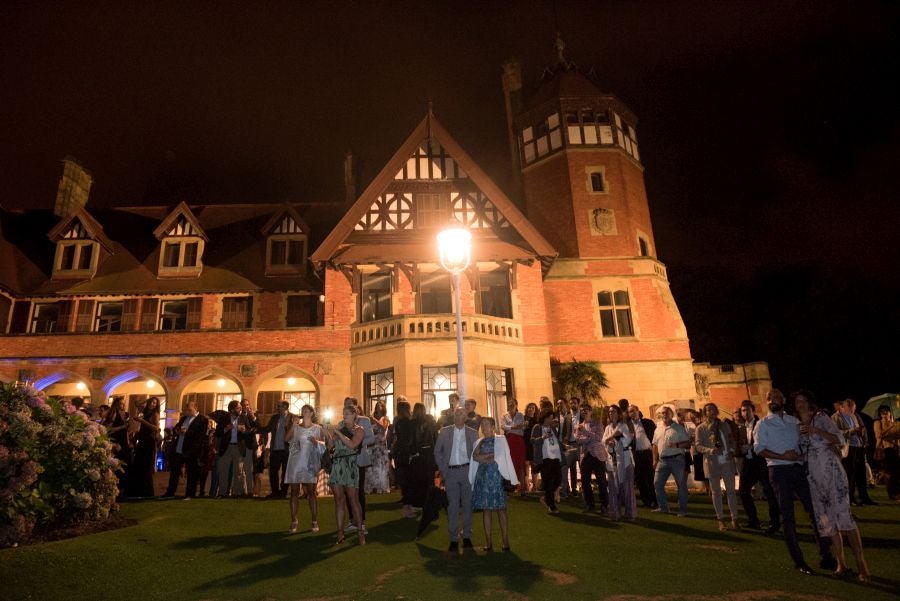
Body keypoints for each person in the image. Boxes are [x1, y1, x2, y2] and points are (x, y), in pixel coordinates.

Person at [755, 388, 836, 575]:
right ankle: (799, 561)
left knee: (814, 510)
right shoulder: (763, 424)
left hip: (797, 469)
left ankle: (826, 555)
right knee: (788, 516)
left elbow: (804, 443)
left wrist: (798, 456)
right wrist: (783, 456)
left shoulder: (794, 421)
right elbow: (759, 449)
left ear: (783, 400)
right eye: (769, 398)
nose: (772, 400)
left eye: (776, 397)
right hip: (778, 470)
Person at [794, 390, 870, 581]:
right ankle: (841, 563)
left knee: (845, 518)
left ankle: (862, 566)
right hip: (815, 476)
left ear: (810, 402)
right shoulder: (798, 426)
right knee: (827, 521)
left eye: (804, 401)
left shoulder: (821, 418)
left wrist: (816, 431)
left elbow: (840, 439)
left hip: (832, 473)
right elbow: (803, 451)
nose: (801, 404)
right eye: (797, 402)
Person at [470, 417, 518, 551]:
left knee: (501, 509)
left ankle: (505, 540)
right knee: (487, 510)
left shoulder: (501, 439)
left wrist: (485, 457)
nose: (484, 428)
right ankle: (488, 541)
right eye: (482, 425)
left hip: (497, 477)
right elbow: (475, 457)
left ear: (492, 426)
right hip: (483, 479)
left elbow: (500, 454)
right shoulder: (479, 441)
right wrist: (490, 456)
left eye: (486, 425)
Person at [434, 406, 478, 553]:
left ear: (465, 417)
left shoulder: (473, 433)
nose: (457, 415)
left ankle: (466, 537)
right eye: (456, 413)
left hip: (467, 472)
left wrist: (475, 472)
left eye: (460, 413)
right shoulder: (445, 431)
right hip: (451, 473)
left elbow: (477, 454)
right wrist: (443, 470)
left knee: (467, 506)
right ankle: (453, 539)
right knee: (452, 507)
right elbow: (437, 452)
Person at [694, 403, 740, 531]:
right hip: (712, 462)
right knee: (716, 492)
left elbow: (731, 440)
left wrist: (731, 450)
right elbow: (698, 446)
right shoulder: (701, 428)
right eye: (708, 410)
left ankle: (734, 519)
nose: (711, 411)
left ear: (717, 411)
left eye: (713, 409)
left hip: (726, 461)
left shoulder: (724, 425)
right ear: (705, 413)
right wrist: (710, 450)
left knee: (731, 491)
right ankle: (721, 519)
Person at [737, 400, 780, 533]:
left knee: (769, 492)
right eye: (743, 410)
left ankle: (775, 523)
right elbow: (741, 445)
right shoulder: (742, 427)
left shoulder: (761, 424)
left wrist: (751, 447)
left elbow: (767, 443)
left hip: (762, 462)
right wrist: (741, 449)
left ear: (753, 411)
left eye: (747, 410)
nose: (745, 413)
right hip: (749, 463)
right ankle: (753, 521)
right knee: (744, 491)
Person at [327, 405, 366, 545]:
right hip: (337, 466)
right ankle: (340, 533)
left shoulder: (359, 430)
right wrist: (329, 433)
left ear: (355, 415)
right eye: (344, 413)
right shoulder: (339, 427)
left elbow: (352, 445)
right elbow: (331, 447)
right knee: (339, 500)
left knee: (353, 499)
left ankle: (360, 532)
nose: (345, 416)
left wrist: (338, 433)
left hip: (350, 466)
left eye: (348, 414)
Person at [284, 404, 324, 533]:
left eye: (307, 410)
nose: (304, 412)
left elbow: (324, 446)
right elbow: (287, 439)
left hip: (310, 463)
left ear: (312, 413)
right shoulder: (296, 427)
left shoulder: (318, 428)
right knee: (294, 492)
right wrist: (293, 425)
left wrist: (315, 442)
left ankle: (314, 520)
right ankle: (294, 520)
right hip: (295, 462)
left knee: (312, 492)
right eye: (303, 411)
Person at [832, 399, 876, 506]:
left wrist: (862, 436)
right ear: (842, 407)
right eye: (850, 409)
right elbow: (835, 433)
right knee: (849, 474)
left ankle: (864, 497)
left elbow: (860, 429)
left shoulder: (853, 416)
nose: (852, 411)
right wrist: (852, 431)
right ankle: (850, 498)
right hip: (848, 448)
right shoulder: (835, 417)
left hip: (858, 446)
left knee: (861, 473)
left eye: (853, 409)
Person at [161, 401, 209, 499]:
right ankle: (170, 492)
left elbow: (199, 436)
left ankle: (190, 494)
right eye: (186, 409)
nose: (187, 411)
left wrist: (186, 432)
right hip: (179, 448)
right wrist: (177, 430)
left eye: (189, 409)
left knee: (191, 473)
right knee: (174, 472)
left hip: (191, 451)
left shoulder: (202, 420)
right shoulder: (183, 418)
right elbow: (176, 428)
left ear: (196, 408)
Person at [343, 397, 375, 534]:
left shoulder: (364, 421)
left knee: (358, 491)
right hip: (346, 461)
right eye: (345, 406)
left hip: (360, 459)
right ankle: (352, 520)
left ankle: (361, 522)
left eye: (350, 406)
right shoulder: (341, 423)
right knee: (347, 492)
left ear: (356, 407)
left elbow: (371, 438)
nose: (347, 409)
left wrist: (356, 442)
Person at [651, 406, 691, 516]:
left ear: (671, 414)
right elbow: (654, 445)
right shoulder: (658, 429)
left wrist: (677, 445)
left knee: (681, 485)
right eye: (662, 413)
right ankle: (663, 507)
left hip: (677, 460)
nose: (664, 415)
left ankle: (683, 510)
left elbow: (688, 443)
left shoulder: (678, 428)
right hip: (662, 461)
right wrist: (654, 460)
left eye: (666, 413)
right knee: (657, 484)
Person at [603, 405, 636, 521]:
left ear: (618, 413)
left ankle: (630, 514)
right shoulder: (607, 427)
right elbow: (604, 441)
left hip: (625, 460)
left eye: (614, 411)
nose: (611, 413)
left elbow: (627, 441)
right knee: (613, 488)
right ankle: (614, 513)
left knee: (627, 489)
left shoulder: (623, 426)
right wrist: (610, 441)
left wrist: (614, 439)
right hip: (612, 461)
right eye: (610, 412)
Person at [575, 402, 609, 513]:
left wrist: (585, 433)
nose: (584, 411)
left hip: (598, 455)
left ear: (591, 411)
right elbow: (578, 440)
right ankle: (590, 504)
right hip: (585, 456)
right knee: (585, 482)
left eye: (586, 409)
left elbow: (599, 438)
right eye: (582, 410)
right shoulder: (578, 426)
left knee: (601, 481)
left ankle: (605, 505)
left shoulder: (597, 423)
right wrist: (589, 437)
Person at [125, 396, 161, 498]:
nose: (153, 404)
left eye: (155, 403)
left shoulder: (155, 414)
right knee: (138, 465)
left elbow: (156, 428)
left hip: (149, 441)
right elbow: (136, 402)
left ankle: (147, 493)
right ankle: (136, 492)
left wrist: (142, 421)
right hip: (142, 440)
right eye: (152, 402)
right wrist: (147, 399)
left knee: (147, 467)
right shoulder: (145, 411)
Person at [531, 407, 564, 514]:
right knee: (549, 482)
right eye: (549, 418)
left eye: (552, 418)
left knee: (559, 479)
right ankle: (551, 506)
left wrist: (564, 446)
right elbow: (532, 441)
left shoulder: (552, 428)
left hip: (556, 457)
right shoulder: (537, 427)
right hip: (545, 458)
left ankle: (546, 497)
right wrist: (542, 437)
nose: (551, 420)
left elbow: (556, 441)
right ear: (544, 418)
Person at [216, 400, 250, 497]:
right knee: (224, 471)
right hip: (226, 447)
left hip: (238, 447)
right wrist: (225, 429)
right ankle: (222, 493)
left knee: (238, 471)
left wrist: (244, 431)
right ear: (232, 409)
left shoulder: (243, 417)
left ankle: (237, 493)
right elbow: (217, 433)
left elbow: (250, 430)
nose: (241, 409)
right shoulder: (224, 418)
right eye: (238, 408)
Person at [391, 399, 417, 518]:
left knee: (404, 480)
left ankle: (408, 505)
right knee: (409, 480)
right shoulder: (407, 422)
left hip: (400, 453)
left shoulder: (399, 422)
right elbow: (409, 439)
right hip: (406, 453)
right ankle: (408, 507)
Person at [626, 405, 656, 508]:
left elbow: (656, 438)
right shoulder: (627, 426)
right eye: (630, 412)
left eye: (633, 411)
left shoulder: (648, 422)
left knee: (651, 478)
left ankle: (655, 500)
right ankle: (646, 502)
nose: (632, 413)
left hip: (648, 454)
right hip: (636, 455)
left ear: (638, 411)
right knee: (640, 480)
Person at [102, 396, 132, 499]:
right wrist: (122, 427)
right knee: (118, 466)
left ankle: (123, 490)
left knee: (126, 465)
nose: (122, 405)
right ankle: (116, 490)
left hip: (125, 442)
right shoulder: (114, 414)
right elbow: (108, 429)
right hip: (117, 442)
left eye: (123, 403)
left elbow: (126, 431)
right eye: (120, 403)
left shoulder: (124, 415)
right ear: (115, 404)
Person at [265, 401, 294, 498]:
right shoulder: (274, 418)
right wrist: (255, 428)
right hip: (275, 448)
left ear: (285, 407)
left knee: (286, 472)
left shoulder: (293, 418)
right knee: (273, 471)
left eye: (279, 406)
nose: (277, 408)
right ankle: (275, 492)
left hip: (287, 449)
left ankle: (283, 492)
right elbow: (267, 429)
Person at [500, 398, 526, 495]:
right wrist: (514, 427)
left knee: (520, 464)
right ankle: (509, 487)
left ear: (516, 404)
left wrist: (511, 428)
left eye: (512, 404)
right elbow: (503, 426)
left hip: (519, 441)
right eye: (509, 404)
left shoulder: (520, 415)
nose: (510, 405)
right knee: (509, 463)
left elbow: (523, 427)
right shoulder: (504, 415)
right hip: (509, 440)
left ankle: (522, 489)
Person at [365, 401, 391, 494]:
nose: (379, 406)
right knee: (371, 466)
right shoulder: (371, 418)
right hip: (372, 445)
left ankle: (381, 486)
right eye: (377, 405)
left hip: (381, 445)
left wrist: (374, 420)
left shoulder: (385, 418)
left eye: (381, 405)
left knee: (381, 465)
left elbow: (383, 428)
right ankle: (371, 487)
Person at [873, 405, 899, 501]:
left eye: (886, 411)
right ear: (880, 414)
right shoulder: (877, 423)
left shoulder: (895, 422)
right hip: (884, 449)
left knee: (896, 472)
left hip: (895, 449)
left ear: (890, 412)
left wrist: (893, 425)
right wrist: (891, 427)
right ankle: (892, 493)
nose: (884, 413)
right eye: (882, 412)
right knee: (890, 472)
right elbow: (880, 435)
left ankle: (896, 492)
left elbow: (897, 434)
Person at [240, 399, 261, 497]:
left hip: (250, 445)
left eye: (247, 405)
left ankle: (251, 491)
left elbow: (258, 427)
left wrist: (253, 417)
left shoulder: (253, 415)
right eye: (244, 405)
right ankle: (241, 490)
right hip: (240, 445)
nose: (246, 407)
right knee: (239, 470)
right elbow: (240, 430)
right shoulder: (239, 416)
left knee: (250, 469)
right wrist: (250, 430)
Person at [522, 402, 539, 494]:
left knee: (534, 466)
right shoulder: (523, 418)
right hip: (525, 444)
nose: (531, 409)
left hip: (534, 445)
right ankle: (526, 487)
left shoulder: (537, 420)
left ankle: (535, 487)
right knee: (526, 466)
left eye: (533, 408)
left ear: (535, 410)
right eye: (529, 407)